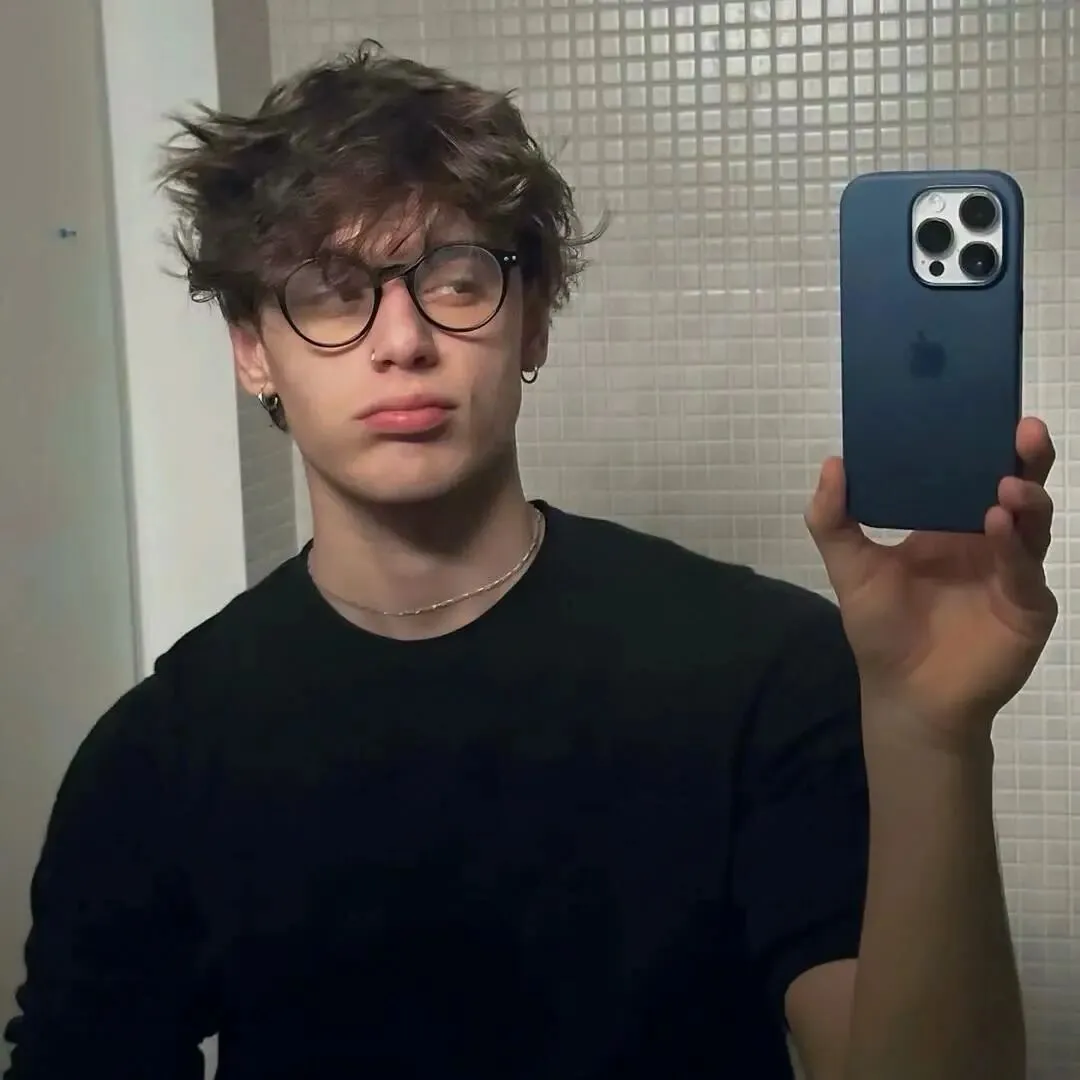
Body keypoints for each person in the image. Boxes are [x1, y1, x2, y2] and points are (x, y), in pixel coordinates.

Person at [4, 42, 1055, 1080]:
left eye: (457, 280)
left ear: (533, 321)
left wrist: (931, 735)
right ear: (251, 350)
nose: (401, 340)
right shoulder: (158, 754)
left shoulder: (770, 671)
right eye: (329, 290)